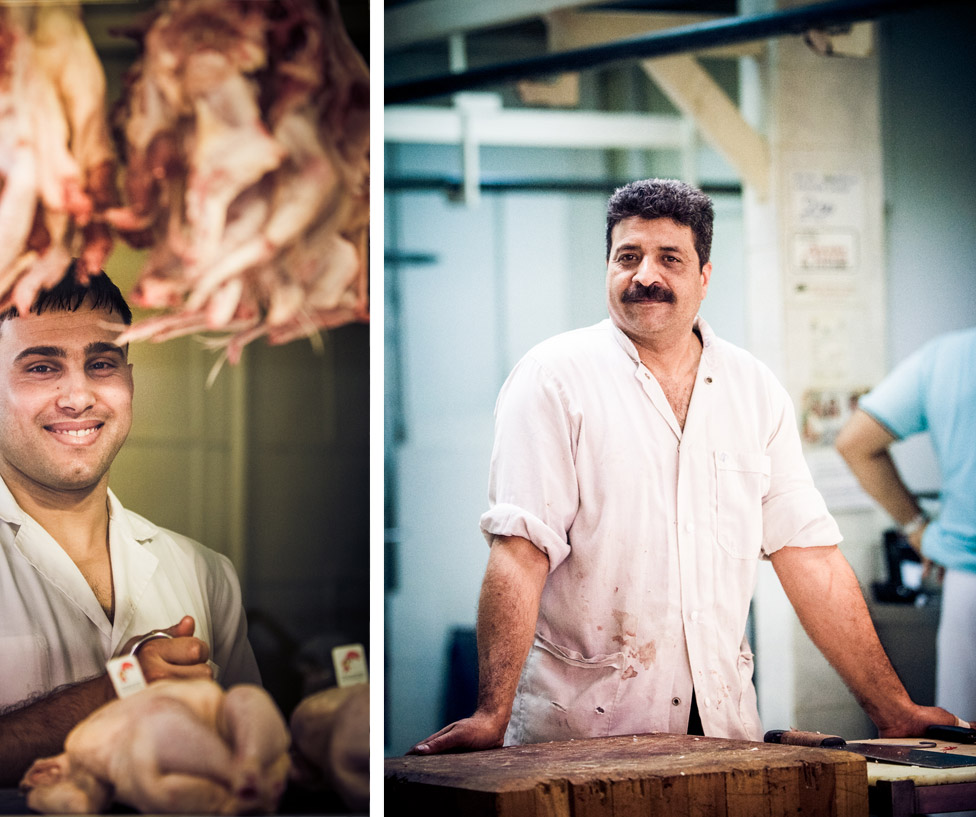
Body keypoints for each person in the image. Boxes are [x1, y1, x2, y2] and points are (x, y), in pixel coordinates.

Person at [411, 179, 964, 755]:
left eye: (668, 259)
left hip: (724, 732)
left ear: (704, 277)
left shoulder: (754, 391)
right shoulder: (552, 379)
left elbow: (811, 559)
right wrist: (491, 714)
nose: (644, 275)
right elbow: (520, 550)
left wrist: (892, 709)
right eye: (627, 257)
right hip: (584, 735)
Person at [0, 264, 261, 785]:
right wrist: (117, 687)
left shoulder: (205, 573)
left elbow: (252, 760)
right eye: (41, 368)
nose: (79, 397)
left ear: (128, 381)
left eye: (102, 364)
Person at [835, 327, 976, 725]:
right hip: (965, 574)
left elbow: (854, 442)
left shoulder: (948, 357)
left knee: (963, 757)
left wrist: (918, 530)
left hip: (968, 587)